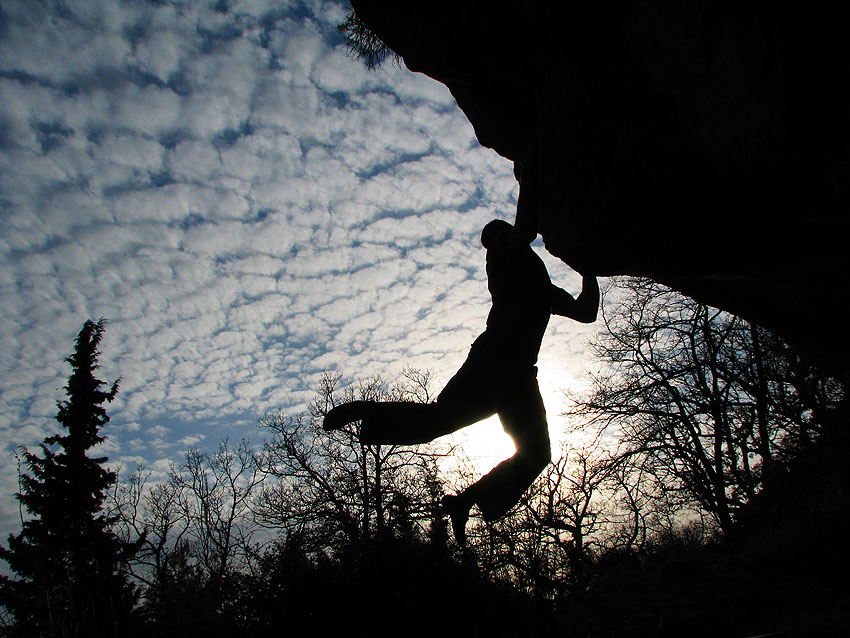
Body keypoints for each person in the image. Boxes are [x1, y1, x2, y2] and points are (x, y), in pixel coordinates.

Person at [324, 142, 599, 546]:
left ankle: (468, 499)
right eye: (500, 234)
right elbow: (524, 229)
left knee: (535, 453)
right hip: (493, 362)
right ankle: (363, 411)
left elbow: (585, 313)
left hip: (518, 377)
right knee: (438, 423)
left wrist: (590, 271)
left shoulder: (541, 285)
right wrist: (531, 173)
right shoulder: (502, 254)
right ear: (497, 239)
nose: (506, 237)